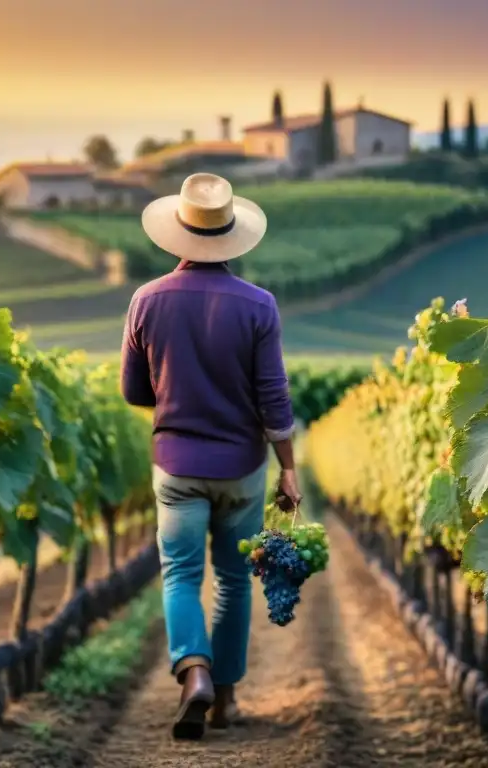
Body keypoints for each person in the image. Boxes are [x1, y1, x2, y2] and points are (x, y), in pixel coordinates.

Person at [119, 172, 302, 740]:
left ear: (176, 234)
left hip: (174, 464)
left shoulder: (146, 300)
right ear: (230, 236)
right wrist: (289, 466)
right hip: (243, 468)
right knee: (232, 581)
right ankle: (224, 701)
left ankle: (192, 670)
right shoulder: (258, 305)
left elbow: (132, 391)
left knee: (179, 573)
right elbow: (273, 396)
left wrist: (172, 393)